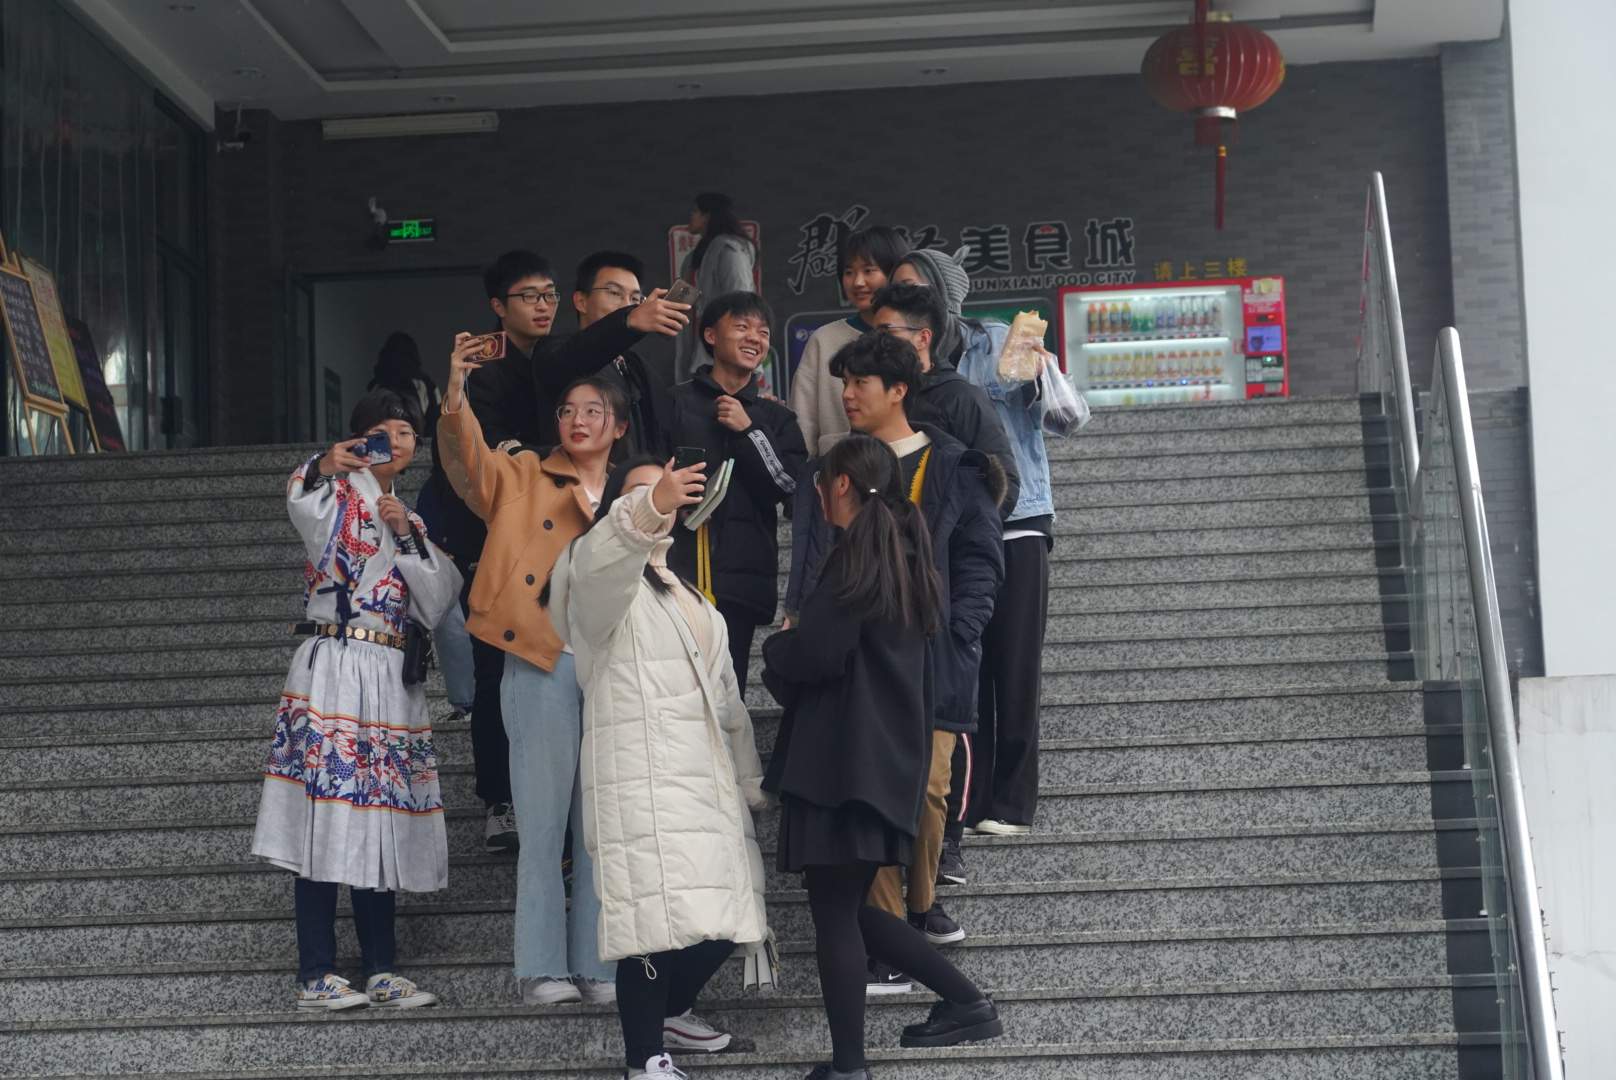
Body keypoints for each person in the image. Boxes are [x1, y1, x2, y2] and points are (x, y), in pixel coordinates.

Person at [763, 434, 1004, 1080]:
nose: (817, 492)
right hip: (883, 762)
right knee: (846, 907)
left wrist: (775, 650)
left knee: (836, 913)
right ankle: (963, 1003)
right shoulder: (905, 554)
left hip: (842, 764)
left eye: (821, 482)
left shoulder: (857, 558)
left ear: (840, 484)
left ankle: (854, 1065)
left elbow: (816, 654)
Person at [785, 333, 1004, 991]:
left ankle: (918, 908)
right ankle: (884, 943)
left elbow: (981, 559)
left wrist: (958, 633)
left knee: (930, 793)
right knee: (869, 803)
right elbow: (810, 558)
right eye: (843, 383)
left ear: (899, 390)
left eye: (860, 383)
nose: (847, 395)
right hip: (856, 670)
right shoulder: (832, 468)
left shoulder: (955, 464)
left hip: (934, 662)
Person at [547, 454, 772, 1080]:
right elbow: (603, 567)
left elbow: (729, 705)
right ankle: (644, 1058)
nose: (659, 500)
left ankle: (671, 1014)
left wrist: (750, 782)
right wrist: (648, 507)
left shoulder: (694, 597)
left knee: (728, 919)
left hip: (703, 781)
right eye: (639, 493)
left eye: (665, 491)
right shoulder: (592, 571)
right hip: (638, 774)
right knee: (650, 919)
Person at [439, 334, 641, 1005]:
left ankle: (599, 966)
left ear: (618, 426)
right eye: (567, 411)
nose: (578, 420)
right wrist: (456, 395)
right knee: (544, 822)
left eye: (593, 411)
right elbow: (469, 461)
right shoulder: (524, 473)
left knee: (600, 828)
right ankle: (540, 967)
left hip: (611, 666)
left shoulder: (633, 492)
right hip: (540, 658)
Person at [251, 389, 462, 1012]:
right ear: (358, 441)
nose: (395, 442)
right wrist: (324, 464)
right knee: (322, 810)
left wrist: (403, 533)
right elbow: (302, 503)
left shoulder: (408, 518)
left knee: (380, 813)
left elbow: (437, 600)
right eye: (381, 431)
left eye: (406, 433)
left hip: (389, 671)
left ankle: (381, 969)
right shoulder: (335, 494)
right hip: (336, 661)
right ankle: (315, 971)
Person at [896, 248, 1061, 865]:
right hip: (952, 531)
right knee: (968, 658)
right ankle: (970, 796)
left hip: (1018, 520)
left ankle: (1012, 802)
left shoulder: (999, 340)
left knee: (1013, 664)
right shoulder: (905, 364)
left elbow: (1060, 415)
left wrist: (1041, 374)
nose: (902, 296)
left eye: (913, 285)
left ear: (944, 295)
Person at [442, 249, 568, 854]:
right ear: (498, 305)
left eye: (550, 294)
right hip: (493, 539)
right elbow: (482, 458)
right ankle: (500, 800)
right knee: (495, 670)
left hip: (558, 536)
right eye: (529, 296)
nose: (544, 305)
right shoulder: (482, 369)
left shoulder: (561, 360)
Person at [668, 291, 808, 693]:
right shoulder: (674, 403)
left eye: (763, 332)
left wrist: (750, 430)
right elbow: (644, 474)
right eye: (742, 326)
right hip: (676, 574)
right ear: (710, 335)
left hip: (740, 581)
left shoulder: (777, 418)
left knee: (729, 697)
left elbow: (787, 487)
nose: (755, 338)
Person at [870, 282, 1020, 517]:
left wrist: (949, 531)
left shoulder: (960, 397)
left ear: (923, 338)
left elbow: (1004, 488)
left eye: (886, 333)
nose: (876, 344)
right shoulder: (871, 396)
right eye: (873, 334)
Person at [536, 250, 690, 456]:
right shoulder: (555, 351)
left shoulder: (636, 366)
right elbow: (572, 360)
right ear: (581, 301)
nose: (627, 305)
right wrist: (627, 321)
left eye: (635, 298)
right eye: (615, 293)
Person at [787, 225, 910, 455]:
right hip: (836, 470)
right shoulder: (823, 340)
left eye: (869, 270)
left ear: (895, 272)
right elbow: (802, 425)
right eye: (849, 272)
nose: (858, 282)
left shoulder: (914, 337)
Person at [673, 192, 758, 383]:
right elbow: (681, 302)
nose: (690, 216)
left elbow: (741, 303)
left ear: (707, 216)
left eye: (695, 211)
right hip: (694, 344)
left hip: (721, 351)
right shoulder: (694, 257)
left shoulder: (730, 252)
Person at [367, 331, 442, 437]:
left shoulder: (377, 386)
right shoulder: (426, 385)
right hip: (422, 440)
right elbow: (437, 421)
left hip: (387, 440)